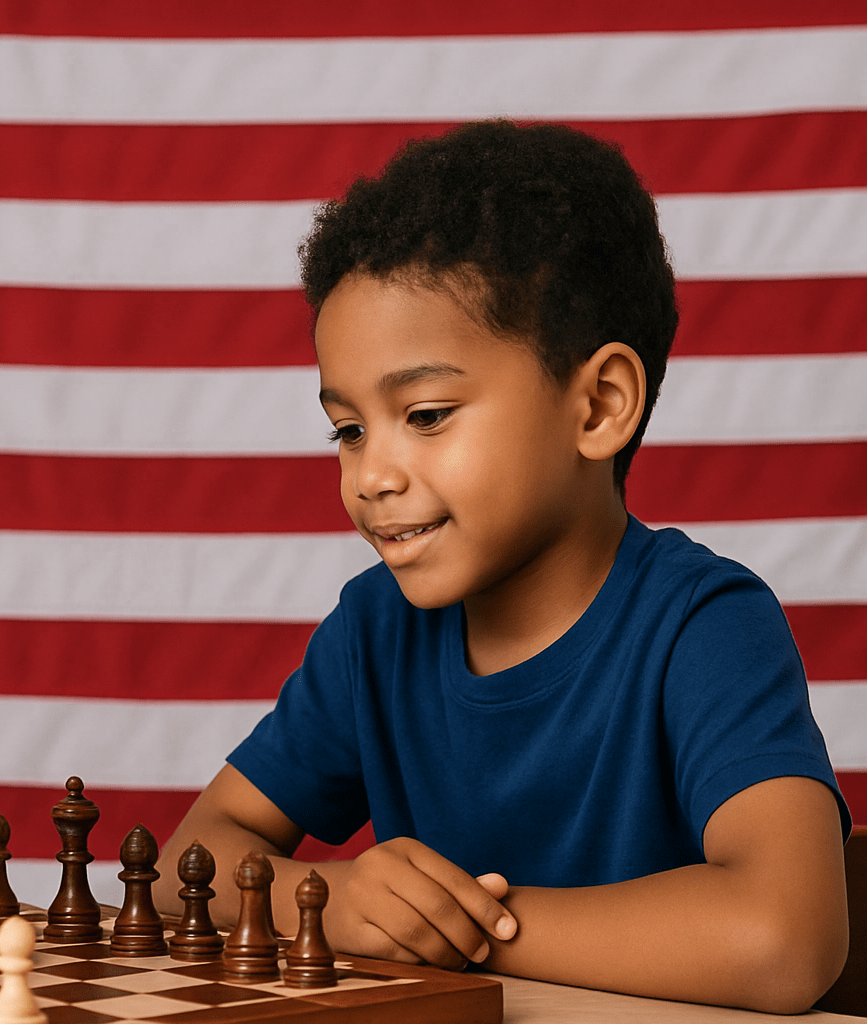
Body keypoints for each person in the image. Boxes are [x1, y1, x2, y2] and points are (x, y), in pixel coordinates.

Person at [156, 121, 851, 1013]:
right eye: (349, 428)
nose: (371, 475)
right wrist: (333, 905)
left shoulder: (702, 624)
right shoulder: (376, 630)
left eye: (430, 414)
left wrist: (454, 928)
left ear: (599, 406)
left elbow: (784, 939)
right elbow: (185, 861)